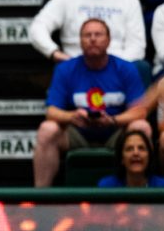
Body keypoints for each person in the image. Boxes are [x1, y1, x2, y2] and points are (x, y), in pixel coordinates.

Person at [33, 19, 150, 187]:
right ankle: (40, 197)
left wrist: (113, 120)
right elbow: (51, 111)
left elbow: (140, 111)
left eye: (98, 34)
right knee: (47, 129)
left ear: (108, 40)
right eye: (87, 35)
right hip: (79, 131)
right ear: (80, 41)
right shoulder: (65, 69)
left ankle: (139, 193)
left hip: (115, 132)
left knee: (141, 126)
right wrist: (72, 116)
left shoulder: (126, 68)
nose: (93, 39)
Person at [97, 129, 164, 188]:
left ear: (149, 156)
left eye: (141, 148)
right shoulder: (107, 186)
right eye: (129, 149)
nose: (136, 153)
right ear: (122, 158)